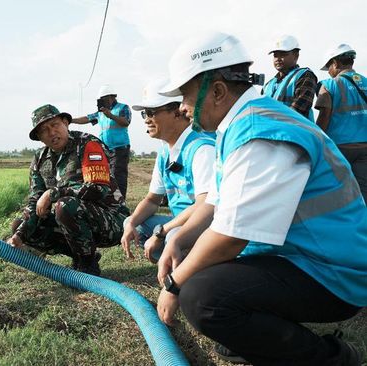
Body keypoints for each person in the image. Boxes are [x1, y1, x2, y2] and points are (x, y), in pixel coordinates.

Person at [154, 31, 366, 365]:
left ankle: (332, 358)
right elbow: (215, 204)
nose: (182, 107)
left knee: (201, 296)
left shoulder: (260, 134)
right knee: (198, 262)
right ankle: (254, 335)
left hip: (334, 274)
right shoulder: (240, 124)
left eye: (186, 96)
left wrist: (173, 285)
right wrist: (179, 239)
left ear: (219, 91)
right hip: (307, 257)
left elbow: (229, 238)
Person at [7, 104, 129, 276]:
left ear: (65, 123)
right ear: (40, 138)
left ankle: (87, 267)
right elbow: (35, 200)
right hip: (74, 219)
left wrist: (53, 193)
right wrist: (19, 235)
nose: (51, 133)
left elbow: (98, 189)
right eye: (44, 130)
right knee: (21, 225)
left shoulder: (88, 144)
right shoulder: (40, 159)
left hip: (112, 221)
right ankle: (83, 255)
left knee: (65, 205)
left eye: (55, 125)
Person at [120, 81, 215, 262]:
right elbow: (152, 200)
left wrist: (161, 232)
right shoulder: (165, 151)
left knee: (174, 235)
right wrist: (132, 222)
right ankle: (176, 259)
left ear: (177, 112)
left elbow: (205, 206)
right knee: (133, 223)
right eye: (144, 113)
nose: (147, 119)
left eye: (152, 112)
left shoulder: (202, 149)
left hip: (205, 225)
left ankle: (188, 270)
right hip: (179, 221)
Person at [315, 44, 367, 201]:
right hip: (365, 147)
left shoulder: (329, 85)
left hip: (339, 148)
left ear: (335, 63)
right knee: (362, 193)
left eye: (329, 67)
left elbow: (324, 115)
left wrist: (317, 139)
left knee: (338, 194)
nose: (329, 72)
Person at [72, 85, 132, 199]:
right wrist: (71, 120)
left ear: (111, 97)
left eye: (103, 99)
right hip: (105, 149)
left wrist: (110, 115)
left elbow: (126, 122)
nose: (101, 102)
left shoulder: (123, 108)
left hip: (120, 148)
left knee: (118, 175)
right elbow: (87, 118)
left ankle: (121, 201)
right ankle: (111, 199)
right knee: (107, 175)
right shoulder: (100, 113)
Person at [261, 35, 317, 121]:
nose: (278, 59)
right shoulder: (268, 85)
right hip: (272, 132)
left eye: (283, 54)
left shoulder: (305, 76)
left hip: (297, 132)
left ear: (296, 55)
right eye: (275, 55)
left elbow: (299, 109)